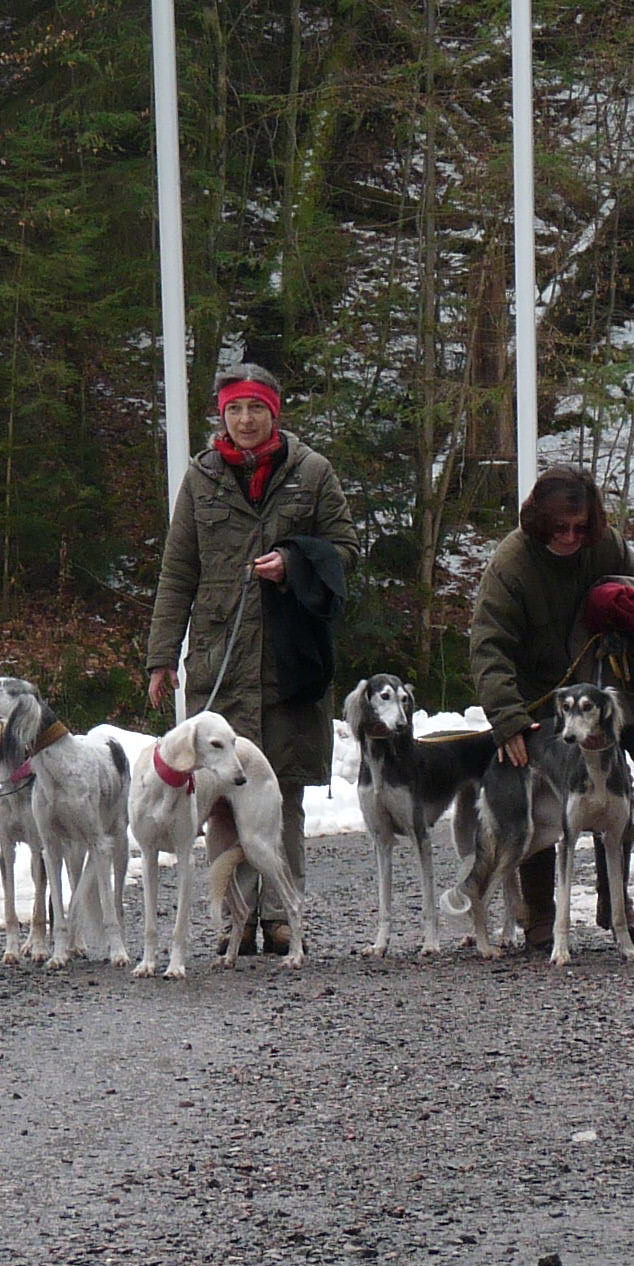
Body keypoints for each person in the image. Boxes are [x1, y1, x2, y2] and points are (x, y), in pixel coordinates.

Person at [145, 363, 357, 956]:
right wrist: (162, 656)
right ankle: (231, 918)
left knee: (283, 789)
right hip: (221, 660)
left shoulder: (312, 472)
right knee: (217, 796)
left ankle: (281, 916)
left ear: (274, 412)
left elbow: (346, 549)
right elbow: (178, 571)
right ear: (222, 415)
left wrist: (294, 563)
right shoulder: (201, 478)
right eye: (235, 409)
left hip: (292, 659)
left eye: (256, 408)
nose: (245, 420)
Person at [468, 464, 634, 952]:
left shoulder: (604, 544)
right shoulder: (511, 564)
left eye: (580, 527)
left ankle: (616, 902)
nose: (571, 537)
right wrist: (508, 719)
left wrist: (625, 605)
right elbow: (488, 646)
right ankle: (541, 914)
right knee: (539, 806)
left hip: (596, 695)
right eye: (560, 528)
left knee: (616, 795)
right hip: (533, 696)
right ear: (539, 521)